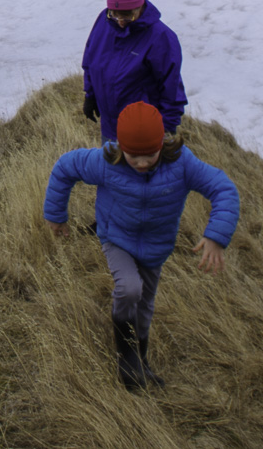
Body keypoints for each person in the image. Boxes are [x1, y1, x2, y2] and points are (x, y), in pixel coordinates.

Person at [44, 101, 238, 390]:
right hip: (116, 238)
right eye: (134, 155)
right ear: (121, 147)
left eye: (150, 154)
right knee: (129, 288)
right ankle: (125, 355)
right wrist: (56, 215)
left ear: (162, 144)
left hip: (156, 248)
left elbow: (223, 188)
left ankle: (140, 361)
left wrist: (216, 236)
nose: (143, 162)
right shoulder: (107, 161)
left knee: (145, 307)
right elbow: (64, 169)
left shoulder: (181, 162)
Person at [82, 0, 186, 144]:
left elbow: (172, 90)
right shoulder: (104, 20)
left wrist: (164, 130)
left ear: (141, 5)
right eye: (115, 14)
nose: (120, 20)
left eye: (128, 15)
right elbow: (90, 60)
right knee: (110, 172)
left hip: (143, 134)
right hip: (109, 129)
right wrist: (90, 95)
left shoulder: (161, 38)